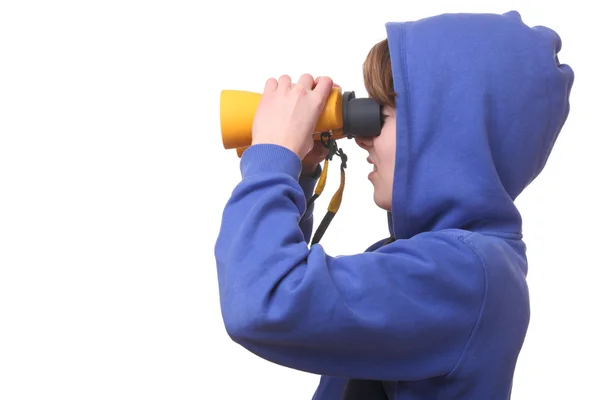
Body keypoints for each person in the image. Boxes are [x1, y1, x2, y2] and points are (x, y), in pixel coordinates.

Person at [214, 10, 574, 400]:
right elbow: (287, 291)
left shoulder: (463, 274)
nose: (363, 138)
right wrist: (300, 174)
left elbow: (264, 303)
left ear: (449, 133)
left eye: (382, 114)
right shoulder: (452, 264)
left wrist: (274, 157)